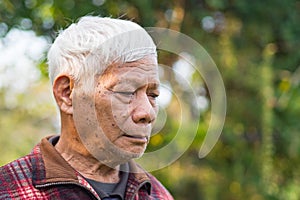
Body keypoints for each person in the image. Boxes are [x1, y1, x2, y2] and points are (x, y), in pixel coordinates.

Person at [0, 16, 174, 200]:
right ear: (67, 93)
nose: (147, 113)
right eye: (125, 92)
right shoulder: (10, 191)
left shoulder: (157, 194)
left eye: (153, 95)